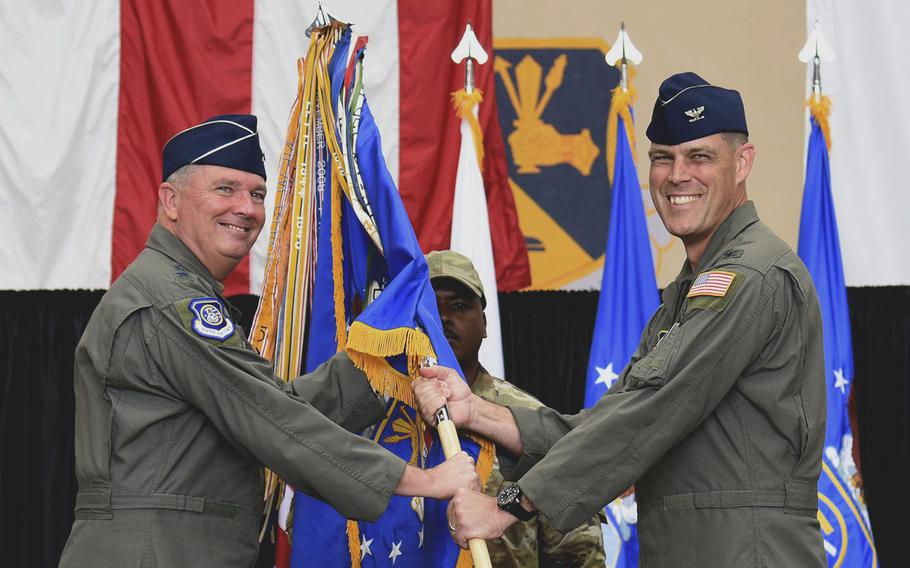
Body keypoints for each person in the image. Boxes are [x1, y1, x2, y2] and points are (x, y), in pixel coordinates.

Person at [414, 72, 828, 567]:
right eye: (662, 158)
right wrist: (476, 412)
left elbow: (649, 413)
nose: (677, 175)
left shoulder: (750, 276)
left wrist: (507, 507)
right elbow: (610, 425)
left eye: (699, 156)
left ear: (742, 163)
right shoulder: (689, 291)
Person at [59, 114, 478, 567]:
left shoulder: (176, 290)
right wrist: (422, 481)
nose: (246, 208)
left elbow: (267, 405)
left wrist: (382, 360)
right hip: (154, 551)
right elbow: (267, 418)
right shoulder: (171, 301)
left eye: (257, 194)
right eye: (225, 189)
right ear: (171, 200)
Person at [426, 250, 605, 568]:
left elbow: (578, 550)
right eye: (428, 305)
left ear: (484, 324)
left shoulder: (526, 419)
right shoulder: (382, 419)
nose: (443, 318)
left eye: (459, 306)